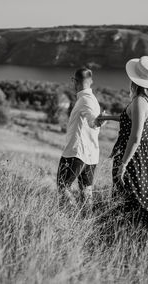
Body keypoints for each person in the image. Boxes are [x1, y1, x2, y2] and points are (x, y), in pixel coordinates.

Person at [97, 56, 148, 234]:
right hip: (146, 154)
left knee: (126, 195)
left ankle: (122, 232)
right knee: (145, 194)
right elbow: (134, 121)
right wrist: (107, 117)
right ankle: (144, 232)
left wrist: (123, 164)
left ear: (135, 80)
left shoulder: (140, 101)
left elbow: (135, 136)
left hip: (131, 154)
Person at [57, 67, 103, 209]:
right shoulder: (93, 99)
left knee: (62, 186)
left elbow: (92, 121)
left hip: (76, 152)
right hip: (91, 155)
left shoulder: (85, 100)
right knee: (86, 191)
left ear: (74, 81)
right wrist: (97, 121)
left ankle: (71, 217)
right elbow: (94, 121)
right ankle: (85, 220)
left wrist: (96, 122)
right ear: (91, 81)